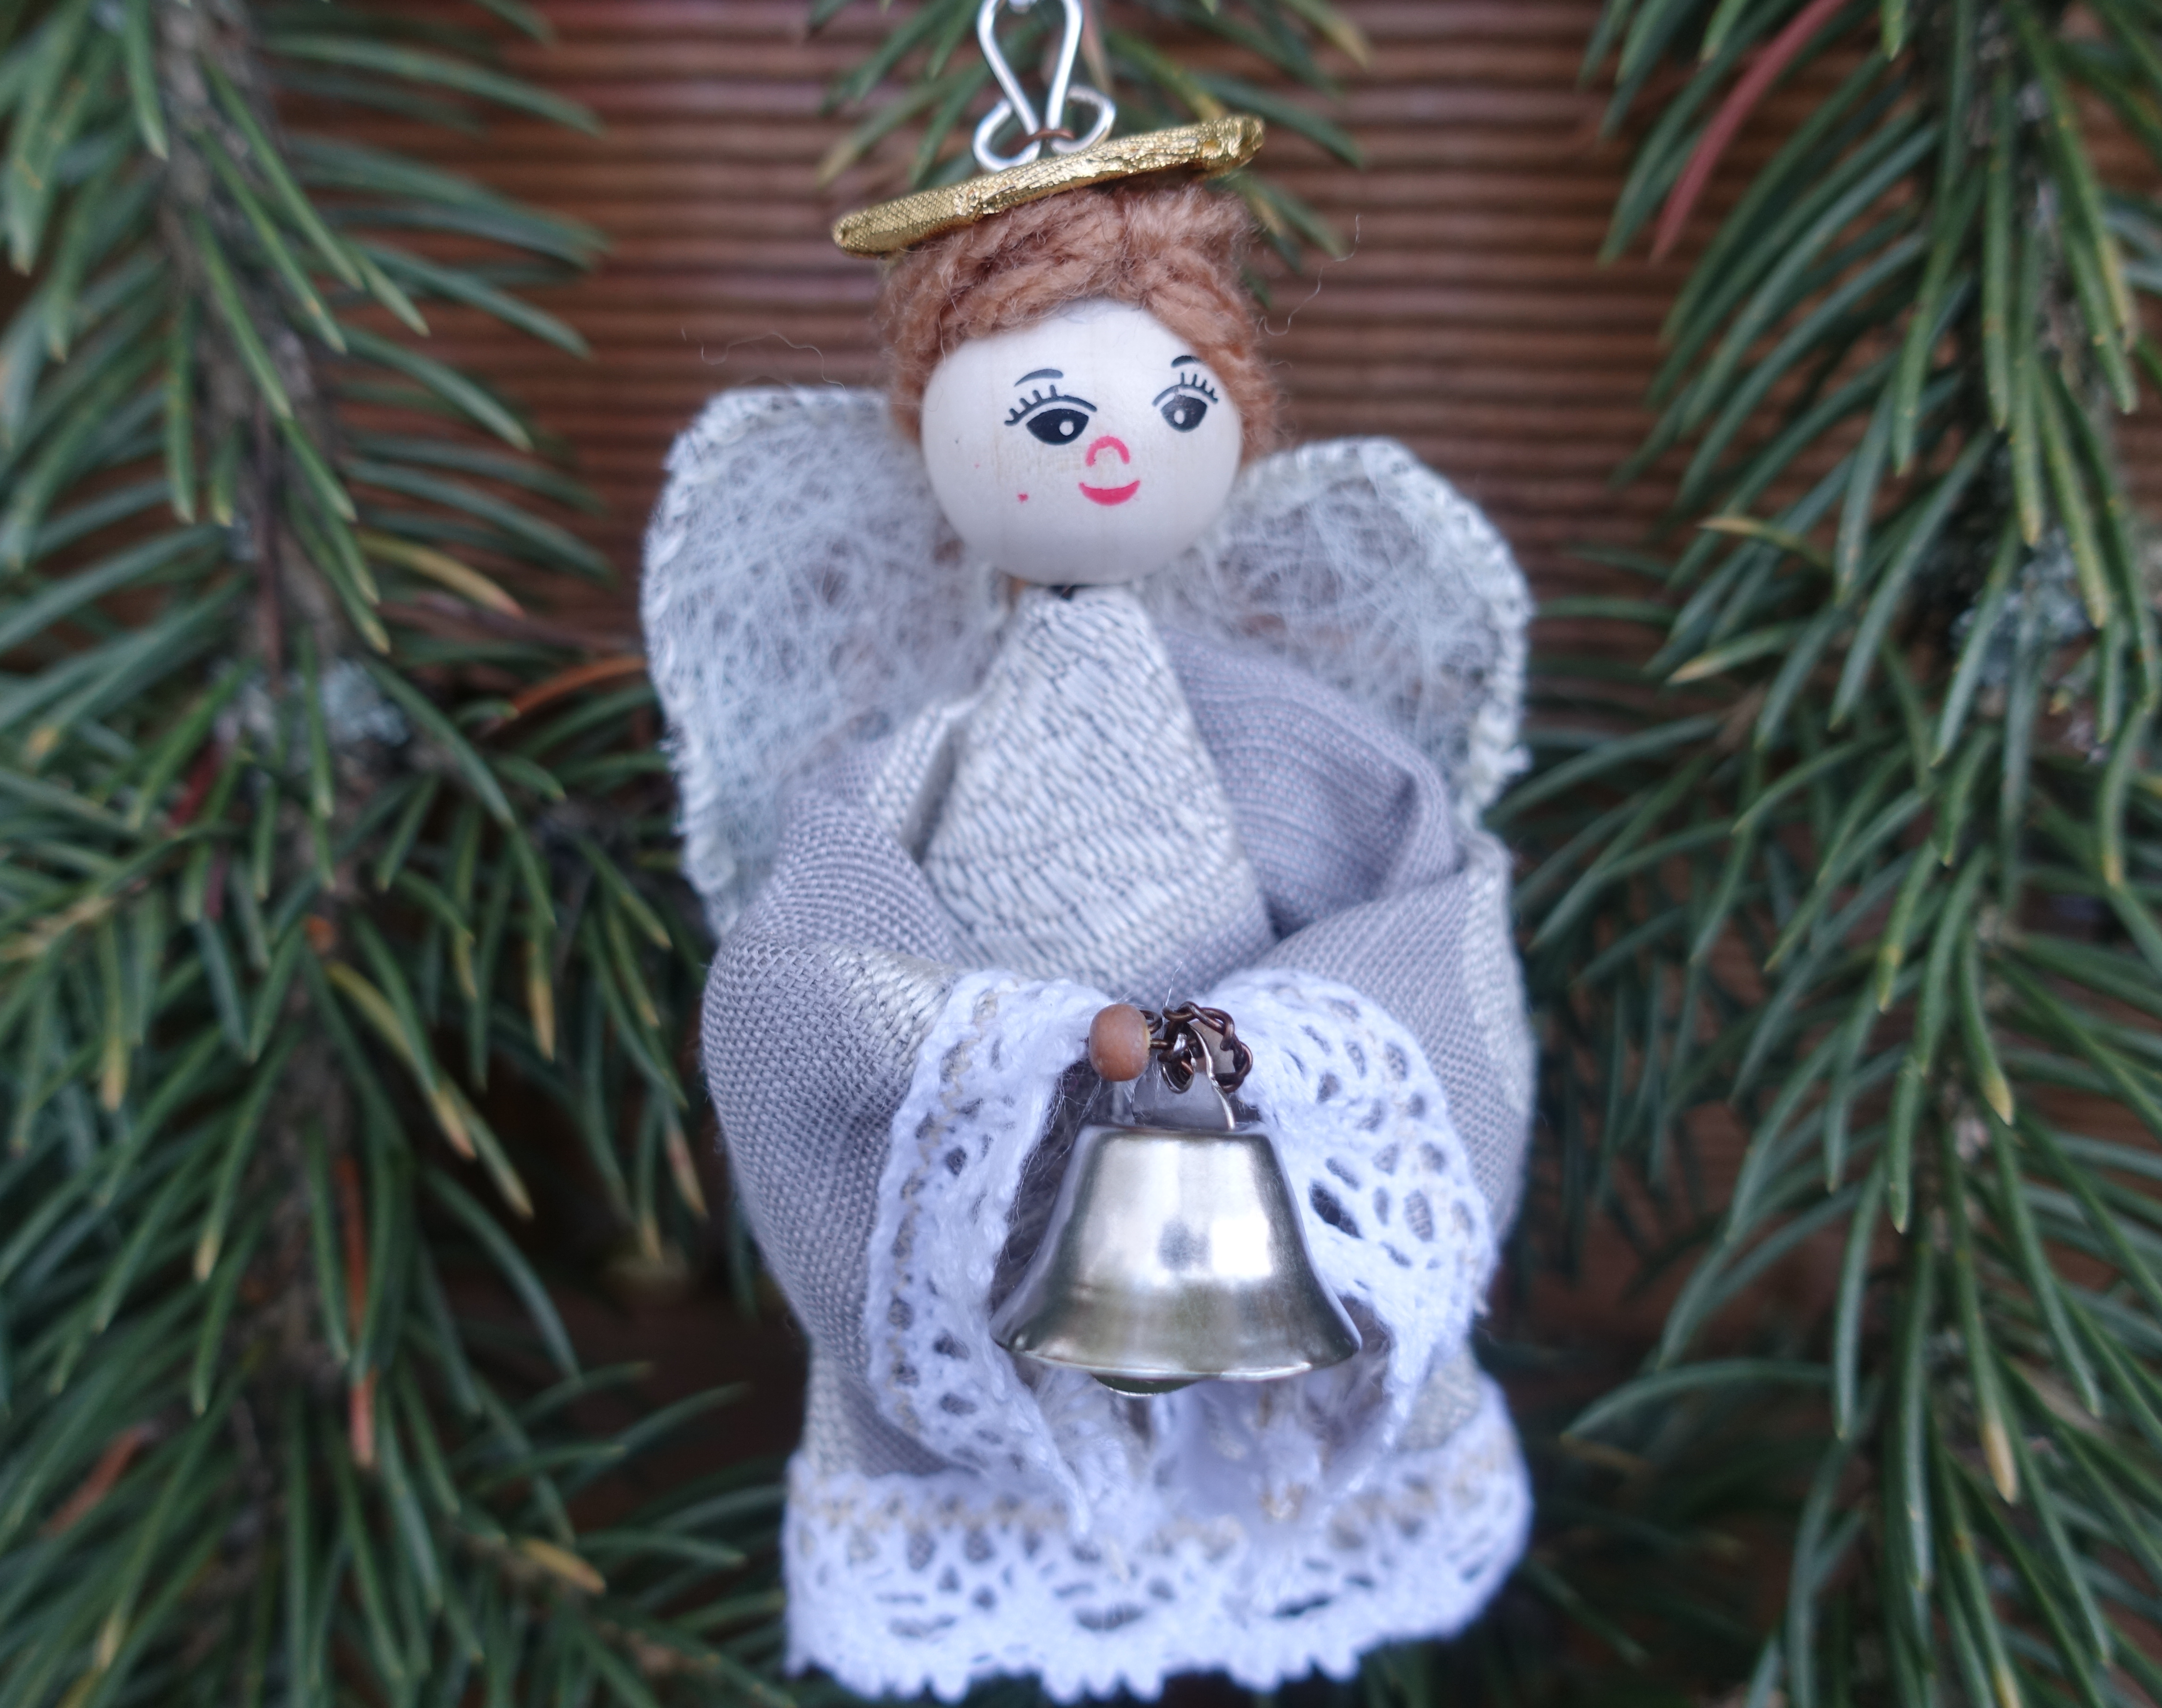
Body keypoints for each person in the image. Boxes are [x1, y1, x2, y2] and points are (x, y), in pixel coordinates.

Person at [646, 155, 1533, 1701]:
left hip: (1263, 1226)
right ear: (937, 441)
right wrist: (1022, 1047)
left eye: (1179, 410)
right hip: (1018, 1274)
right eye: (1052, 422)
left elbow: (1434, 918)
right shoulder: (914, 773)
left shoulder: (1285, 741)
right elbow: (798, 989)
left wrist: (1292, 1043)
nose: (1120, 454)